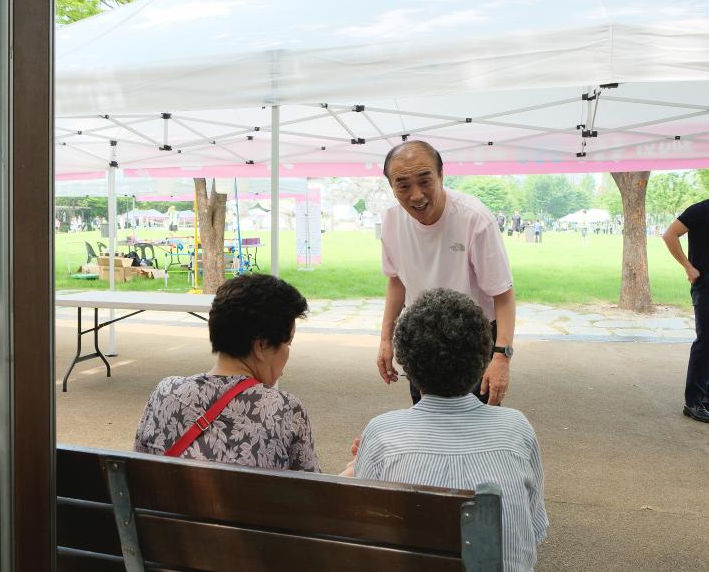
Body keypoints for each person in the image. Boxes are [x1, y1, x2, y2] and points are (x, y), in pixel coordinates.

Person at [356, 288, 548, 572]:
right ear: (483, 356)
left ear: (408, 362)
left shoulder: (383, 434)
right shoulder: (515, 429)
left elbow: (367, 532)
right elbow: (533, 529)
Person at [377, 140, 516, 405]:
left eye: (425, 181)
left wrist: (501, 356)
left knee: (476, 425)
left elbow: (503, 294)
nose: (416, 195)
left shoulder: (474, 218)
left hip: (473, 339)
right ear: (392, 188)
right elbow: (396, 280)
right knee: (426, 419)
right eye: (403, 185)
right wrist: (386, 339)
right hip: (422, 337)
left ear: (442, 175)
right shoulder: (392, 220)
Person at [134, 273, 320, 471]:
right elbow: (314, 494)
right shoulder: (286, 410)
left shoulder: (165, 392)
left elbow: (137, 469)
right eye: (288, 343)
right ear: (261, 346)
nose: (287, 353)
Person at [662, 199, 709, 422]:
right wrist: (688, 266)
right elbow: (669, 234)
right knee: (706, 342)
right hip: (706, 284)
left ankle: (705, 397)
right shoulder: (700, 210)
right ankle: (693, 403)